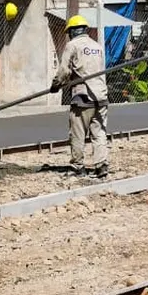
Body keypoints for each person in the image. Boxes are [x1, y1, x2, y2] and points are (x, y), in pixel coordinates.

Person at [50, 15, 110, 177]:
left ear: (72, 31)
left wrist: (56, 85)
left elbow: (64, 71)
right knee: (99, 133)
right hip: (101, 97)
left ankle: (78, 166)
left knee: (78, 133)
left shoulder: (72, 45)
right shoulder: (97, 46)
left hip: (83, 97)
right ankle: (102, 165)